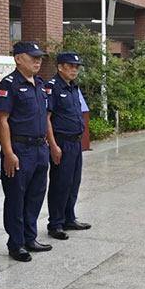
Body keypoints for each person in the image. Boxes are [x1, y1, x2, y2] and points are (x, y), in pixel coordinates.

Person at [0, 41, 52, 262]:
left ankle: (30, 237)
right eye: (33, 57)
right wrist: (8, 152)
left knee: (35, 195)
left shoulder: (39, 84)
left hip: (39, 149)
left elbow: (45, 118)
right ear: (18, 58)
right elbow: (1, 120)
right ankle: (16, 243)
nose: (38, 61)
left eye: (39, 57)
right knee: (16, 198)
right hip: (20, 149)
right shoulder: (8, 85)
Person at [45, 51, 91, 240]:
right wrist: (53, 145)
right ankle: (55, 223)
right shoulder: (52, 87)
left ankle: (68, 217)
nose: (74, 70)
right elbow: (46, 118)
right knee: (60, 183)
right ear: (60, 67)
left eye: (77, 67)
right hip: (61, 142)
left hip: (75, 142)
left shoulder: (73, 87)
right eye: (71, 66)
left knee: (73, 182)